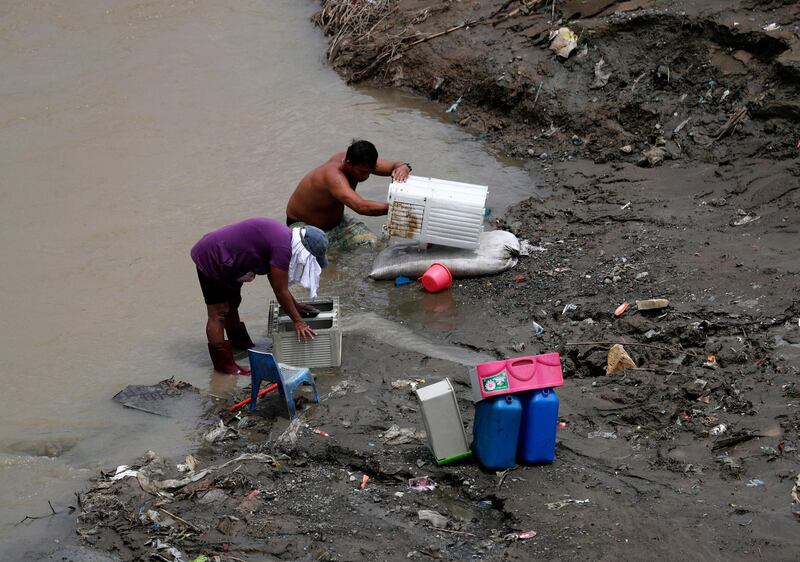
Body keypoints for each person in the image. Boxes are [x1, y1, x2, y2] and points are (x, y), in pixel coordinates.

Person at [191, 218, 328, 375]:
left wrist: (296, 307)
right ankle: (224, 366)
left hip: (228, 257)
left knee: (233, 302)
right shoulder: (282, 247)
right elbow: (280, 291)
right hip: (212, 256)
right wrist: (298, 322)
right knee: (218, 313)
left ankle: (238, 343)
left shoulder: (285, 239)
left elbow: (276, 282)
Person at [286, 139, 412, 231]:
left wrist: (403, 167)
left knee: (373, 246)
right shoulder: (333, 176)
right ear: (348, 163)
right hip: (302, 226)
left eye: (371, 171)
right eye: (363, 172)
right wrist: (399, 209)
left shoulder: (360, 161)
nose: (367, 176)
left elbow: (394, 166)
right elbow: (361, 207)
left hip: (336, 225)